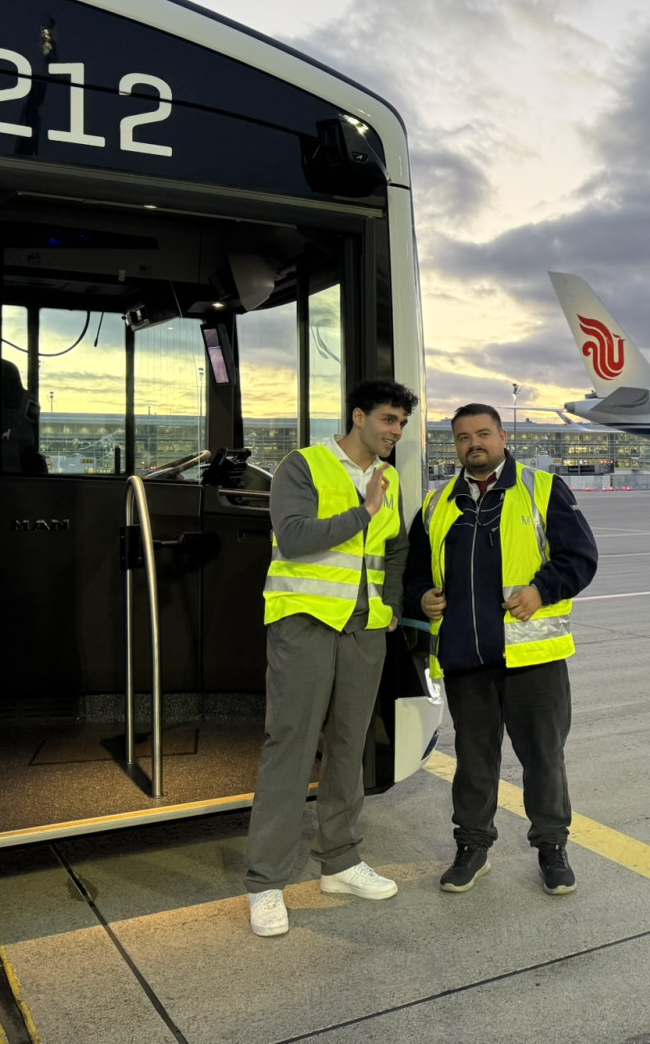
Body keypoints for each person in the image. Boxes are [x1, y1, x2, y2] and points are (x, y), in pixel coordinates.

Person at [244, 378, 419, 937]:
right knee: (290, 745)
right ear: (359, 416)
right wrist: (363, 512)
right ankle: (265, 882)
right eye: (389, 420)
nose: (396, 432)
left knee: (350, 745)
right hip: (305, 621)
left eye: (402, 424)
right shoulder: (305, 466)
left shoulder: (388, 478)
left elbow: (396, 548)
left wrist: (390, 603)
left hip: (364, 630)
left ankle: (339, 862)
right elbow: (293, 538)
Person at [405, 403, 598, 895]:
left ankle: (552, 848)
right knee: (473, 760)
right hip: (465, 657)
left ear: (503, 436)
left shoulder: (542, 489)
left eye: (484, 433)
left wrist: (542, 590)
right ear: (455, 445)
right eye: (464, 437)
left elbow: (581, 558)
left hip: (531, 659)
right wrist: (422, 596)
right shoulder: (436, 504)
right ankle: (472, 847)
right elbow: (414, 574)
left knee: (543, 759)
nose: (475, 443)